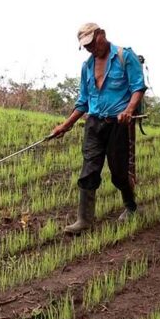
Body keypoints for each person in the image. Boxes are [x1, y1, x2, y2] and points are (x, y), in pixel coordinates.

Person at [51, 22, 147, 234]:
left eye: (93, 42)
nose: (91, 47)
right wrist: (65, 126)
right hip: (94, 124)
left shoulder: (124, 56)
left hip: (119, 123)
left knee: (119, 172)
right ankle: (84, 220)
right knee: (89, 170)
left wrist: (129, 110)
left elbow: (138, 87)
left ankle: (131, 207)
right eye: (86, 46)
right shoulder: (87, 66)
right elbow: (83, 101)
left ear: (102, 34)